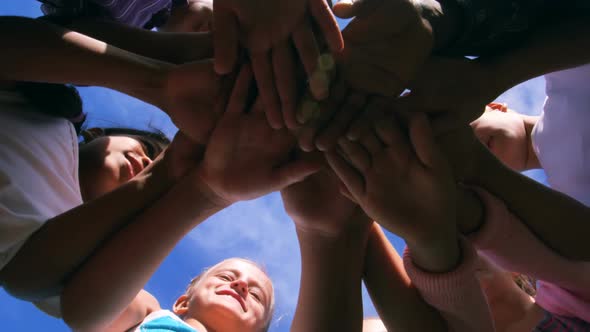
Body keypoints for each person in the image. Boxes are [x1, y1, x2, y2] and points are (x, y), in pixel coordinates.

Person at [327, 112, 590, 331]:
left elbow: (558, 253)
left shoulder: (565, 297)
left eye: (462, 241)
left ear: (516, 271)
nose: (463, 267)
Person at [86, 258, 274, 332]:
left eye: (256, 296)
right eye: (225, 277)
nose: (241, 285)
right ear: (183, 303)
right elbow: (94, 298)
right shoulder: (150, 314)